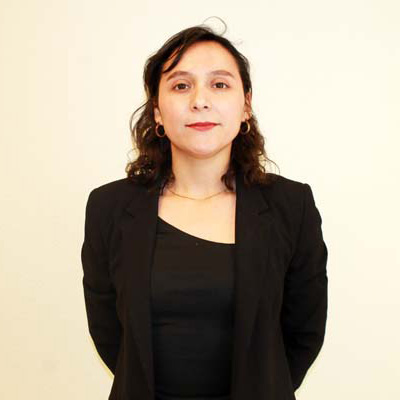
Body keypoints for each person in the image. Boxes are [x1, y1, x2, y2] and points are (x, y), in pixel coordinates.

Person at [81, 19, 328, 400]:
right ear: (157, 111)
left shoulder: (291, 206)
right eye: (181, 85)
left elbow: (303, 333)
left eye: (220, 84)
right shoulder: (108, 207)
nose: (200, 100)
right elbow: (110, 334)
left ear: (246, 106)